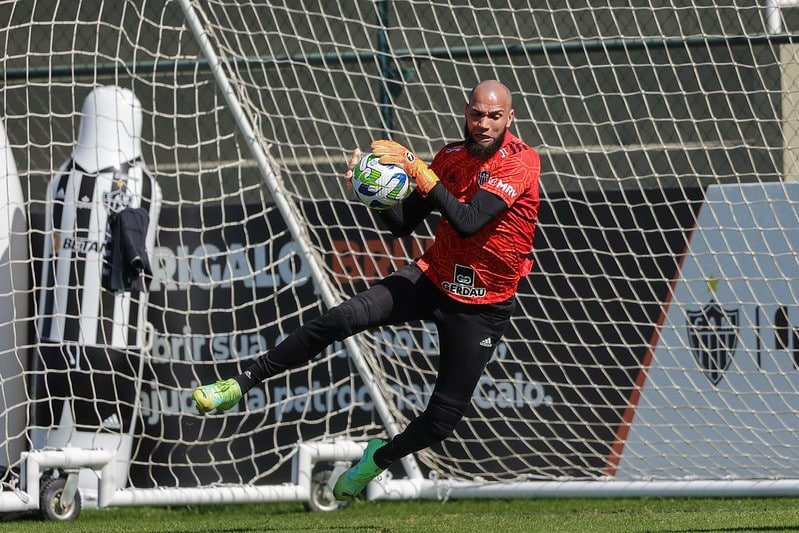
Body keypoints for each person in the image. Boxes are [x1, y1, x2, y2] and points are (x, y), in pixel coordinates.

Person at [192, 79, 541, 500]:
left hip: (483, 306)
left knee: (440, 422)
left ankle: (379, 457)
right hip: (433, 276)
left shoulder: (521, 162)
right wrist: (369, 188)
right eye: (476, 114)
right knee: (342, 317)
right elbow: (401, 225)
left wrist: (418, 171)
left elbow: (468, 222)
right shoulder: (449, 157)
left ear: (509, 118)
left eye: (494, 116)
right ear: (465, 112)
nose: (484, 124)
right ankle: (242, 383)